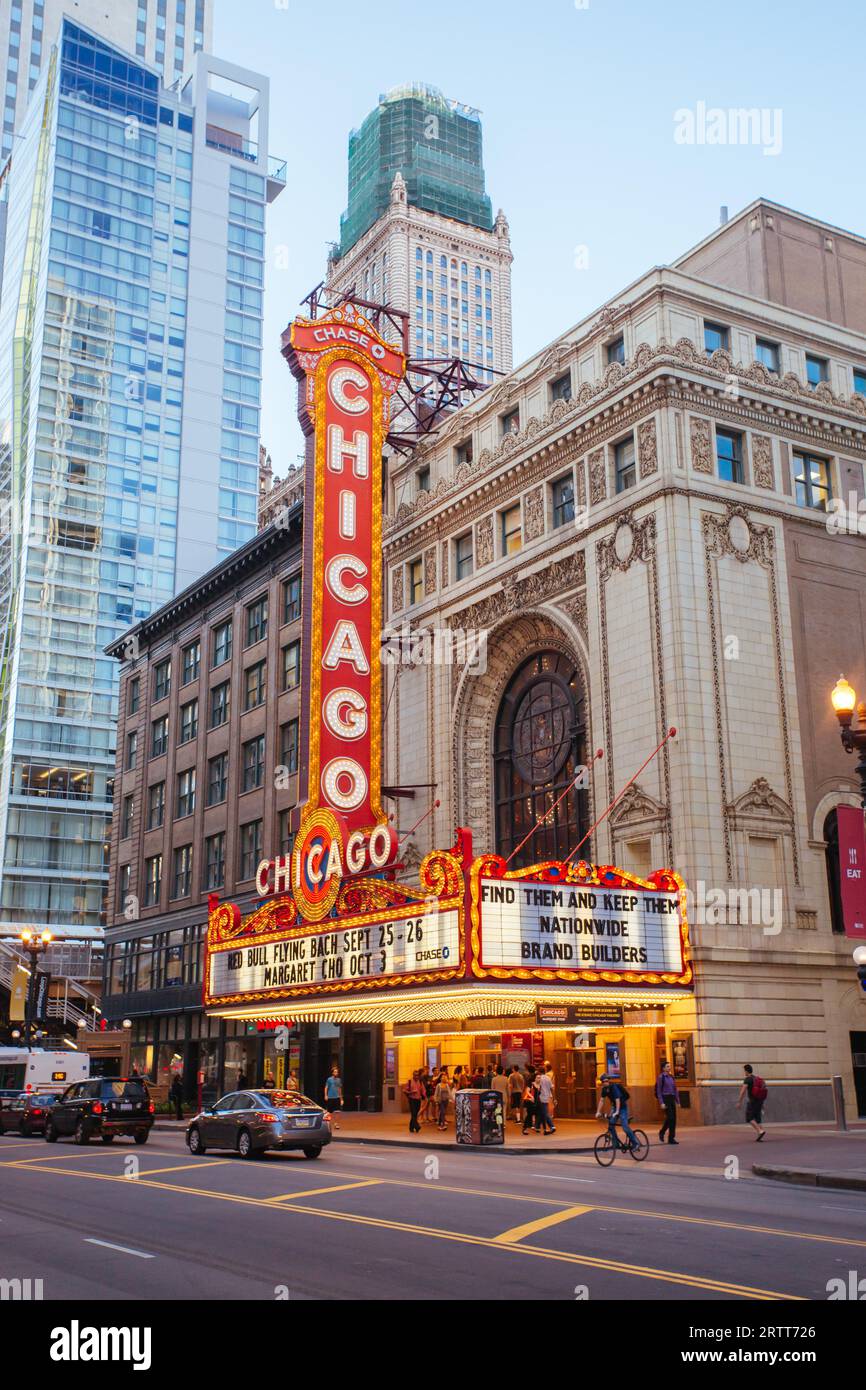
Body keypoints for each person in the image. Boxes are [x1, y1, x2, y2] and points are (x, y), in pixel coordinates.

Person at [598, 1073, 641, 1150]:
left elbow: (617, 1099)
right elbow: (601, 1100)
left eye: (607, 1081)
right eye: (604, 1081)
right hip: (614, 1107)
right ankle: (616, 1143)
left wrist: (617, 1111)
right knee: (611, 1125)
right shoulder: (604, 1089)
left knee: (625, 1127)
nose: (605, 1083)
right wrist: (598, 1112)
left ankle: (636, 1143)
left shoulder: (614, 1087)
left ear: (609, 1080)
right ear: (602, 1082)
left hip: (622, 1108)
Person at [738, 1064, 767, 1140]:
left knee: (749, 1118)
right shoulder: (756, 1078)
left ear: (746, 1071)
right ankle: (760, 1135)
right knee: (758, 1118)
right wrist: (762, 1104)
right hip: (759, 1101)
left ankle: (760, 1131)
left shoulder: (747, 1079)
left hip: (752, 1101)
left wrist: (739, 1101)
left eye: (744, 1071)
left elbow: (743, 1091)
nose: (744, 1072)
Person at [655, 1061, 680, 1144]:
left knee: (674, 1119)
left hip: (672, 1098)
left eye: (669, 1066)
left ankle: (671, 1138)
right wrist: (661, 1102)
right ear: (664, 1068)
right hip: (665, 1098)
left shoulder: (671, 1077)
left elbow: (675, 1089)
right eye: (668, 1066)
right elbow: (658, 1091)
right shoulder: (661, 1077)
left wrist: (677, 1101)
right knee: (670, 1118)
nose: (669, 1068)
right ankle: (662, 1132)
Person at [536, 1062, 556, 1134]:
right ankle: (537, 1126)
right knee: (540, 1111)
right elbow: (552, 1088)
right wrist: (554, 1097)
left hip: (541, 1097)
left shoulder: (539, 1078)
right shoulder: (548, 1078)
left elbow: (537, 1087)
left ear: (539, 1072)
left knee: (544, 1112)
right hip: (547, 1096)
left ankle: (552, 1126)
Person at [522, 1066, 538, 1135]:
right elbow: (527, 1091)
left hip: (533, 1100)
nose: (539, 1078)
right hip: (531, 1100)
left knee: (533, 1113)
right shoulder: (531, 1081)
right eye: (538, 1078)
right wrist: (532, 1097)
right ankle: (526, 1127)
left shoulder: (532, 1081)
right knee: (531, 1114)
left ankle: (535, 1126)